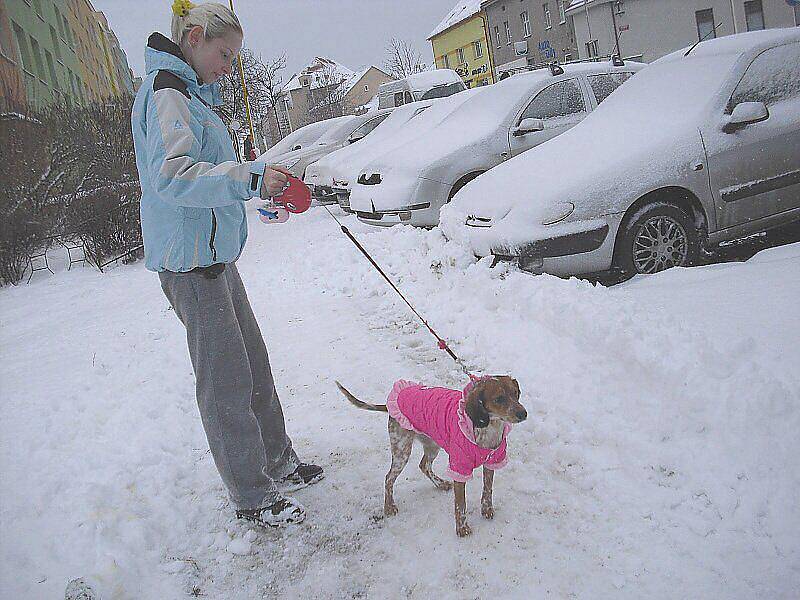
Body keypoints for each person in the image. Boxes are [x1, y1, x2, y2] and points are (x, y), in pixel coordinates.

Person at [131, 0, 322, 529]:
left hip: (215, 258)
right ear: (193, 37)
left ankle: (277, 459)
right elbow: (174, 176)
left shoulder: (193, 94)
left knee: (254, 364)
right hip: (191, 266)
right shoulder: (168, 93)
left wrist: (263, 175)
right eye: (225, 52)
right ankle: (251, 495)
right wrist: (250, 181)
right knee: (225, 381)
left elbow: (215, 169)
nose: (230, 66)